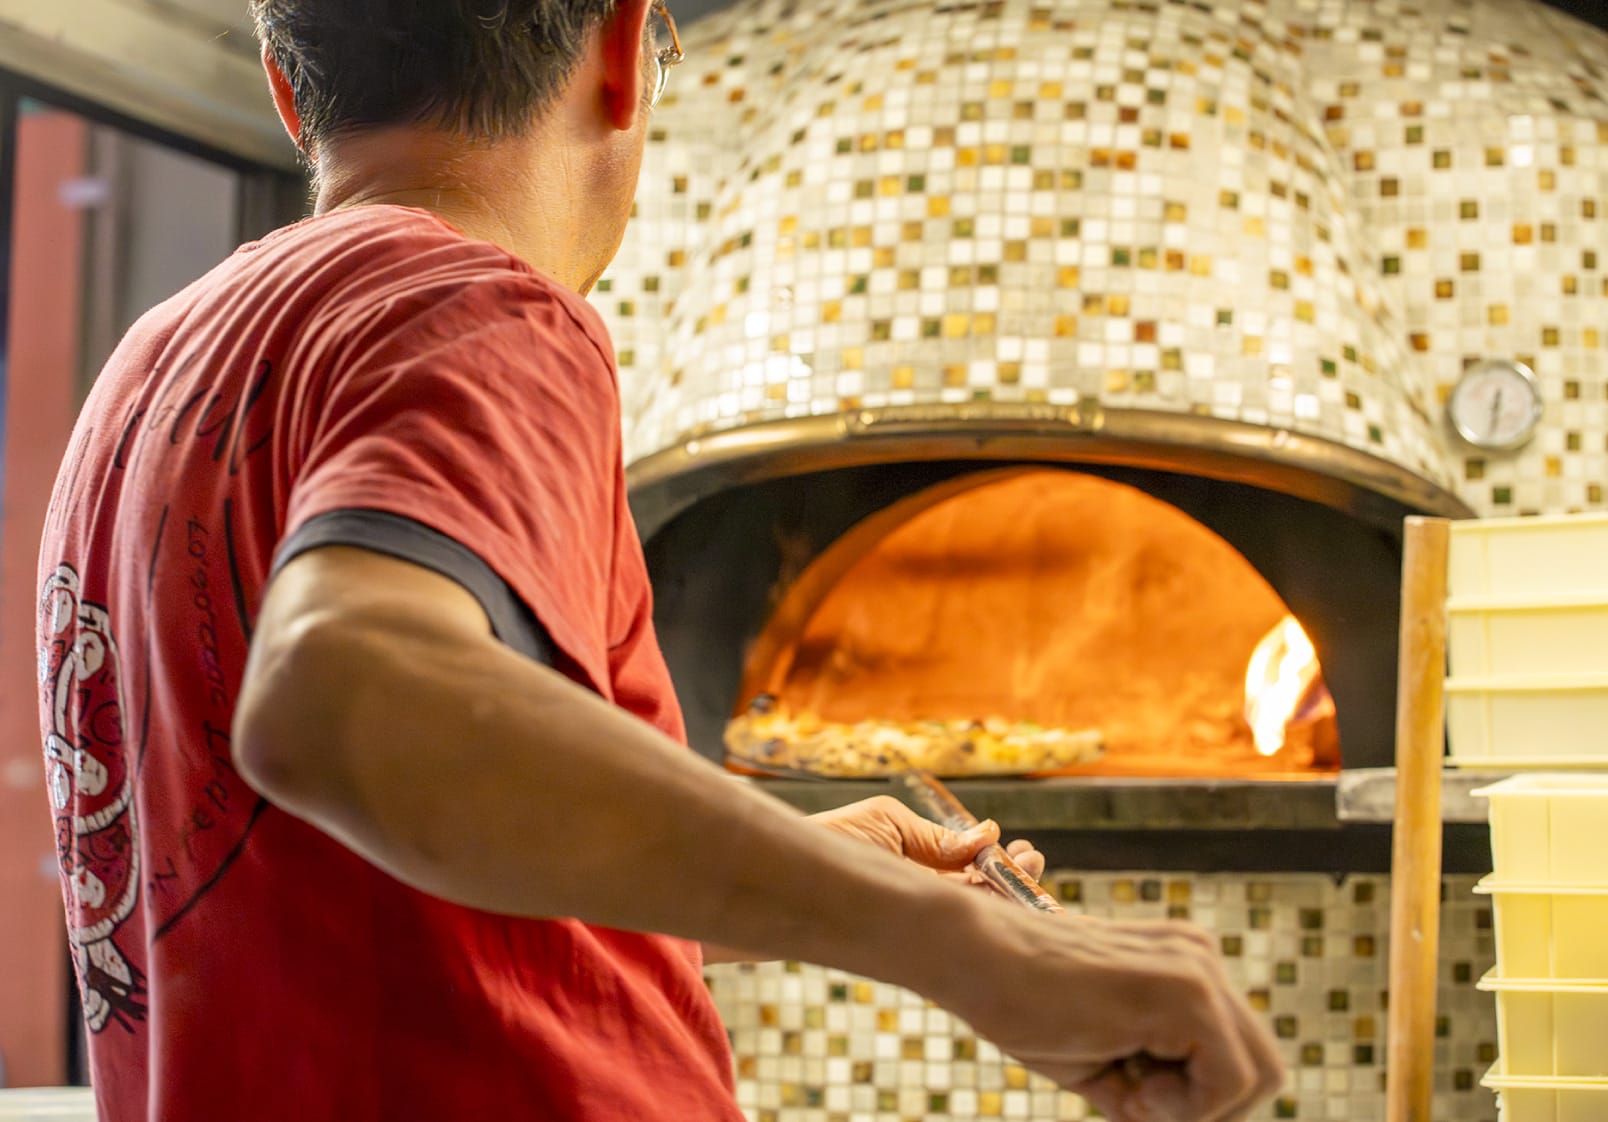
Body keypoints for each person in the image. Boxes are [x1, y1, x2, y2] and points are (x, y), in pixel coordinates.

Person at [34, 1, 1283, 1119]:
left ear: (289, 91)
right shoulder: (476, 309)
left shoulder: (152, 369)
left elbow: (377, 883)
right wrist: (974, 951)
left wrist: (794, 860)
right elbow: (343, 698)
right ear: (627, 49)